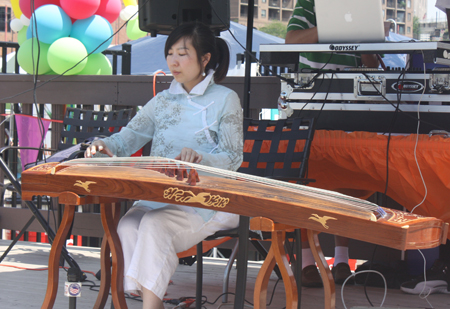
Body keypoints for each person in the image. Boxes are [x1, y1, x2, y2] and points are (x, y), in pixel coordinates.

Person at [85, 22, 243, 309]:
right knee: (129, 224)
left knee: (155, 226)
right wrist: (104, 146)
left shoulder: (225, 99)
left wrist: (200, 158)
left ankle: (151, 306)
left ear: (205, 58)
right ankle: (146, 299)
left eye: (182, 54)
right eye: (170, 53)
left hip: (208, 198)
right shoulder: (161, 101)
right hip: (160, 195)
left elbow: (233, 158)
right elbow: (127, 139)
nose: (173, 61)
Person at [285, 0, 379, 288]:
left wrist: (363, 41)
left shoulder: (359, 8)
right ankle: (306, 263)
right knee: (305, 181)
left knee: (346, 181)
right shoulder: (307, 4)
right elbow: (291, 40)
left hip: (350, 104)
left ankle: (341, 261)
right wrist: (329, 27)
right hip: (310, 101)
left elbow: (373, 62)